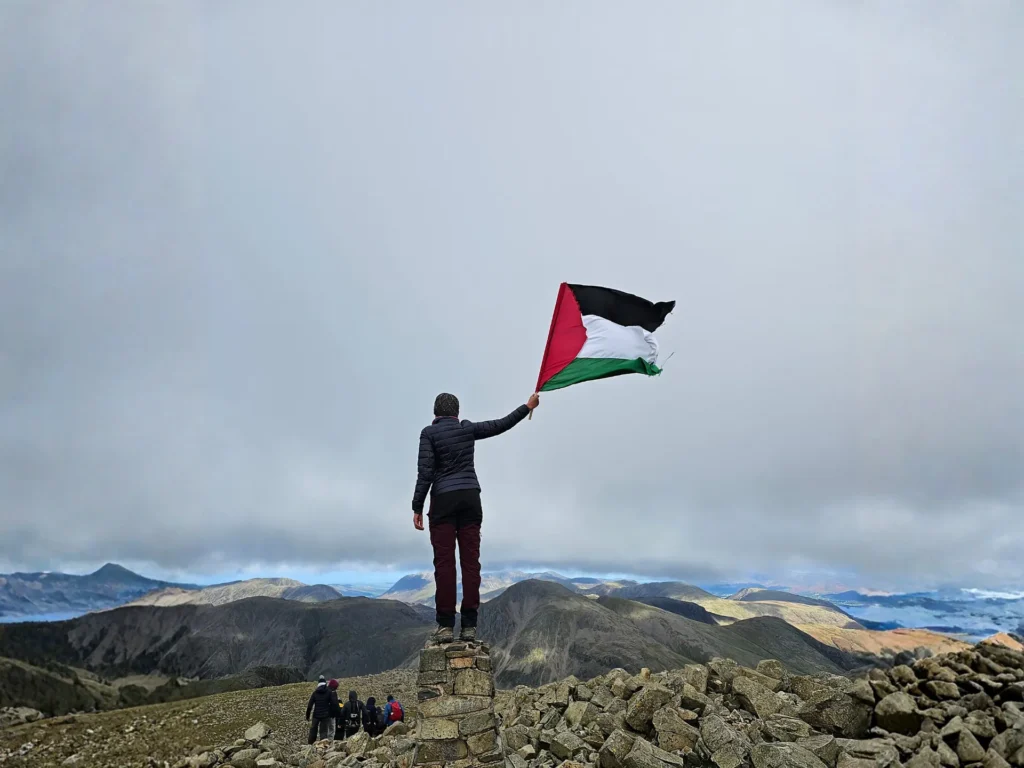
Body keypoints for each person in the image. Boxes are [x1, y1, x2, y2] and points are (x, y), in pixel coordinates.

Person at [412, 392, 539, 644]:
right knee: (471, 564)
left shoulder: (429, 433)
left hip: (443, 502)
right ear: (456, 413)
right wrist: (527, 406)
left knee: (445, 565)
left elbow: (425, 473)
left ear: (435, 413)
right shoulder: (467, 429)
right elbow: (500, 424)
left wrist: (417, 506)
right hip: (471, 499)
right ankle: (469, 626)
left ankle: (446, 626)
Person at [305, 675, 334, 744]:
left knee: (313, 730)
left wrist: (307, 716)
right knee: (323, 731)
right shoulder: (329, 692)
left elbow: (309, 705)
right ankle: (323, 747)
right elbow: (333, 703)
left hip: (316, 715)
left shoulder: (315, 693)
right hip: (325, 715)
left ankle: (310, 745)